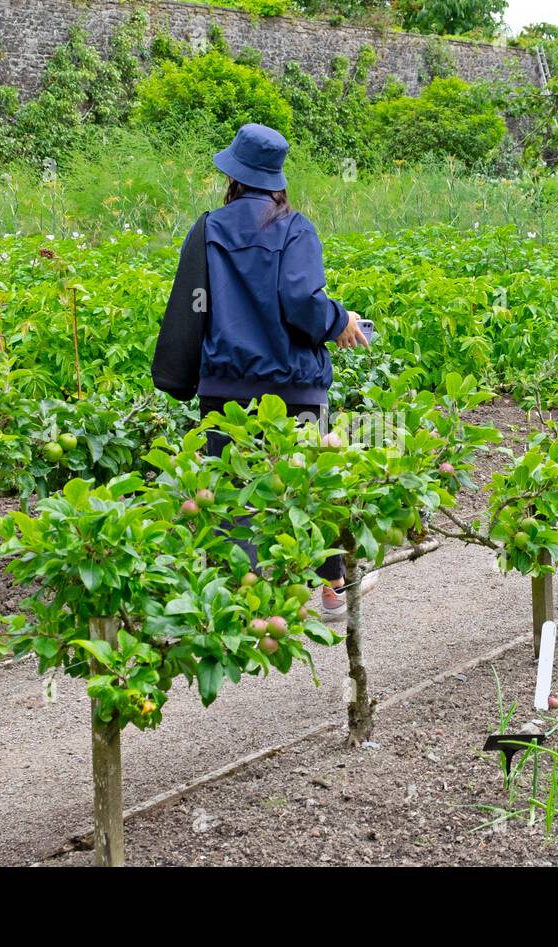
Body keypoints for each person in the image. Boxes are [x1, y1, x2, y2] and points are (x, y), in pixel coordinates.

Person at [195, 123, 375, 618]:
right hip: (292, 386)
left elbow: (195, 305)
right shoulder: (293, 226)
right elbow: (301, 303)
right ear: (276, 177)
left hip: (224, 387)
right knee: (310, 484)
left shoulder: (207, 228)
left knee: (234, 495)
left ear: (233, 174)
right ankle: (333, 589)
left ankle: (242, 606)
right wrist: (341, 320)